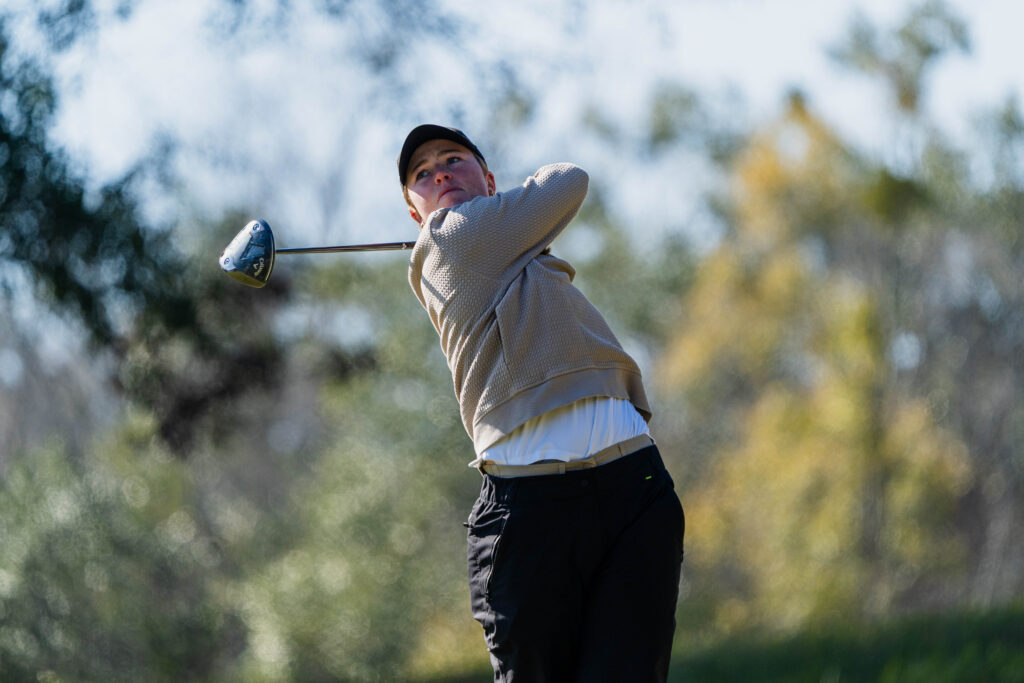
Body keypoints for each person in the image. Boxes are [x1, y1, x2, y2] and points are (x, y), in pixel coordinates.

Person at [399, 124, 684, 682]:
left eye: (453, 160)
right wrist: (514, 219)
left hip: (632, 487)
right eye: (422, 174)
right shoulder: (452, 237)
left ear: (487, 178)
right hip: (531, 511)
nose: (439, 174)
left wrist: (524, 233)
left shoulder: (513, 249)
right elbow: (567, 180)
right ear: (415, 213)